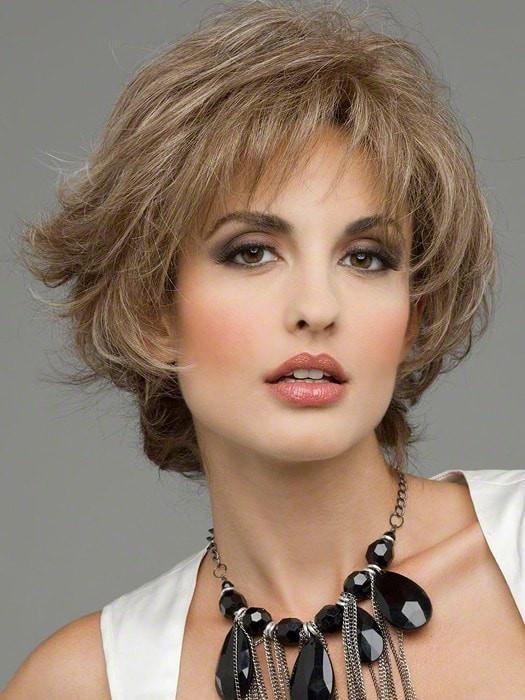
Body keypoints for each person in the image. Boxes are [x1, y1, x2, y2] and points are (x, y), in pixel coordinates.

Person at [4, 1, 524, 698]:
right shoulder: (81, 684)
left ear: (412, 313)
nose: (316, 308)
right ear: (152, 309)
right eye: (251, 252)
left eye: (365, 257)